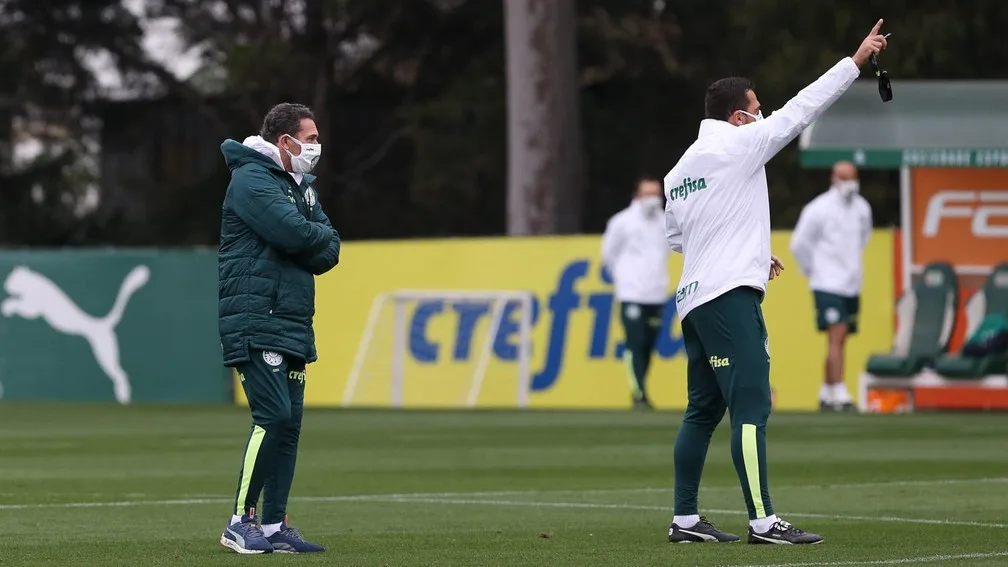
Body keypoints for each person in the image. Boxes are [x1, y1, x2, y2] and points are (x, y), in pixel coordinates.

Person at [663, 21, 888, 545]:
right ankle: (763, 522)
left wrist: (748, 251)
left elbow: (677, 237)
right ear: (737, 116)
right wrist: (855, 61)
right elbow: (802, 109)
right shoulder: (741, 145)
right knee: (751, 404)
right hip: (727, 298)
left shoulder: (679, 172)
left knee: (702, 411)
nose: (762, 114)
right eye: (756, 107)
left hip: (694, 301)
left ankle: (686, 519)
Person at [217, 102, 341, 554]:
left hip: (291, 320)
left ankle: (272, 525)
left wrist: (313, 236)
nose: (316, 148)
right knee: (272, 416)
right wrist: (311, 236)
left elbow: (329, 250)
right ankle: (239, 521)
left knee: (289, 426)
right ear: (284, 141)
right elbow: (298, 236)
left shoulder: (300, 186)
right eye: (310, 139)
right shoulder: (251, 180)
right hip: (256, 316)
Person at [790, 160, 873, 412]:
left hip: (851, 283)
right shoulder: (819, 209)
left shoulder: (862, 208)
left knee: (841, 337)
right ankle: (839, 389)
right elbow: (799, 244)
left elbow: (864, 238)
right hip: (827, 282)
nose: (850, 182)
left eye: (853, 177)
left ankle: (826, 390)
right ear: (834, 178)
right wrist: (812, 270)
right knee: (836, 334)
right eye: (844, 177)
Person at [600, 176, 671, 410]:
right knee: (635, 342)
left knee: (649, 345)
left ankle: (640, 387)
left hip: (656, 293)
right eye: (648, 193)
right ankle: (639, 392)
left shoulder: (665, 222)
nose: (654, 199)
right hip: (631, 292)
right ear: (638, 196)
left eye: (657, 194)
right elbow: (609, 254)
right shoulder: (622, 222)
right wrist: (624, 279)